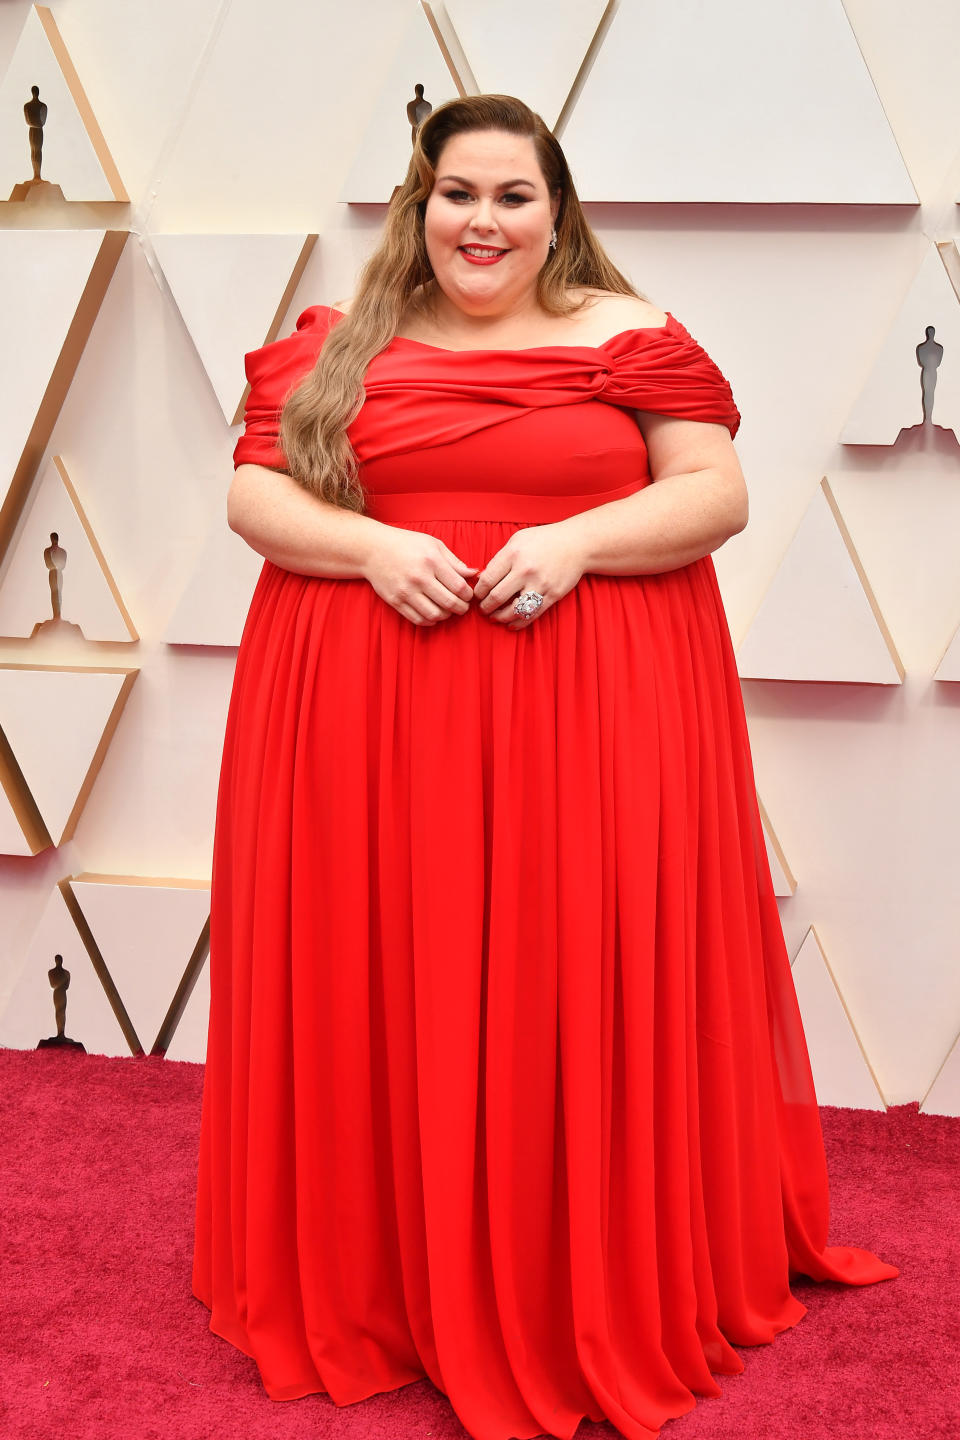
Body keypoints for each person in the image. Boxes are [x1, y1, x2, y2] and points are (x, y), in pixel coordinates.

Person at [192, 94, 898, 1440]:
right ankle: (386, 1272)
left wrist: (572, 544)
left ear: (557, 211)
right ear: (421, 205)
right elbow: (255, 493)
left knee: (565, 969)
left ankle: (569, 1258)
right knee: (387, 966)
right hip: (373, 715)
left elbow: (713, 492)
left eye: (514, 196)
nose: (484, 221)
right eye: (460, 193)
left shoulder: (629, 337)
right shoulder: (337, 348)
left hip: (588, 712)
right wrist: (374, 548)